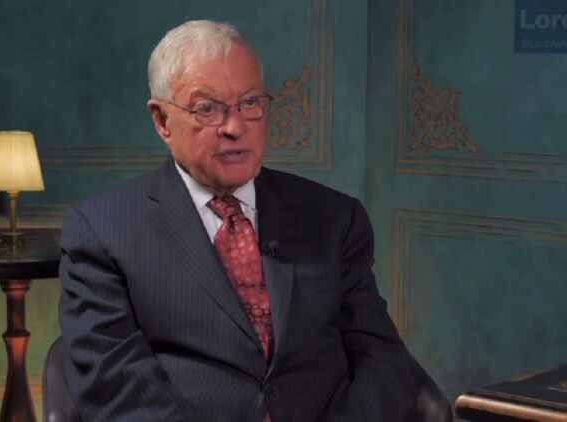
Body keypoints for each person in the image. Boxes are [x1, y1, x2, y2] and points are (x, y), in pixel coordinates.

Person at [59, 20, 418, 421]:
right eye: (206, 108)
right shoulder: (102, 229)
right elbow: (113, 384)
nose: (235, 127)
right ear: (162, 121)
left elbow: (379, 357)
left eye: (250, 102)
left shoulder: (335, 217)